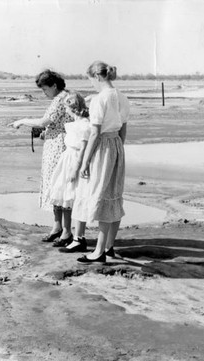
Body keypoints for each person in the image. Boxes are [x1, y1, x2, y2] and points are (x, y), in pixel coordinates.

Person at [72, 61, 130, 263]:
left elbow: (95, 133)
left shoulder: (99, 99)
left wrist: (86, 161)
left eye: (91, 80)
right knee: (113, 194)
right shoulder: (122, 97)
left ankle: (99, 252)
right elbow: (123, 129)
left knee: (101, 194)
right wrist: (118, 150)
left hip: (103, 147)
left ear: (97, 77)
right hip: (116, 146)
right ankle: (109, 246)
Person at [9, 70, 73, 243]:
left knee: (60, 187)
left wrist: (22, 121)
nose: (44, 93)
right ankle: (58, 227)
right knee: (55, 187)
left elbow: (44, 121)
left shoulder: (60, 99)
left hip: (59, 146)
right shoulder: (63, 98)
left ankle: (66, 231)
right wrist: (47, 132)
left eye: (45, 89)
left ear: (54, 85)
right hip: (57, 143)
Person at [48, 91, 91, 251]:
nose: (65, 111)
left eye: (66, 108)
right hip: (66, 159)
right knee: (63, 195)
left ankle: (74, 235)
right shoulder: (73, 125)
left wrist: (75, 169)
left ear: (72, 108)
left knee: (72, 196)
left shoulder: (84, 125)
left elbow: (83, 149)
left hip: (74, 161)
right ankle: (66, 232)